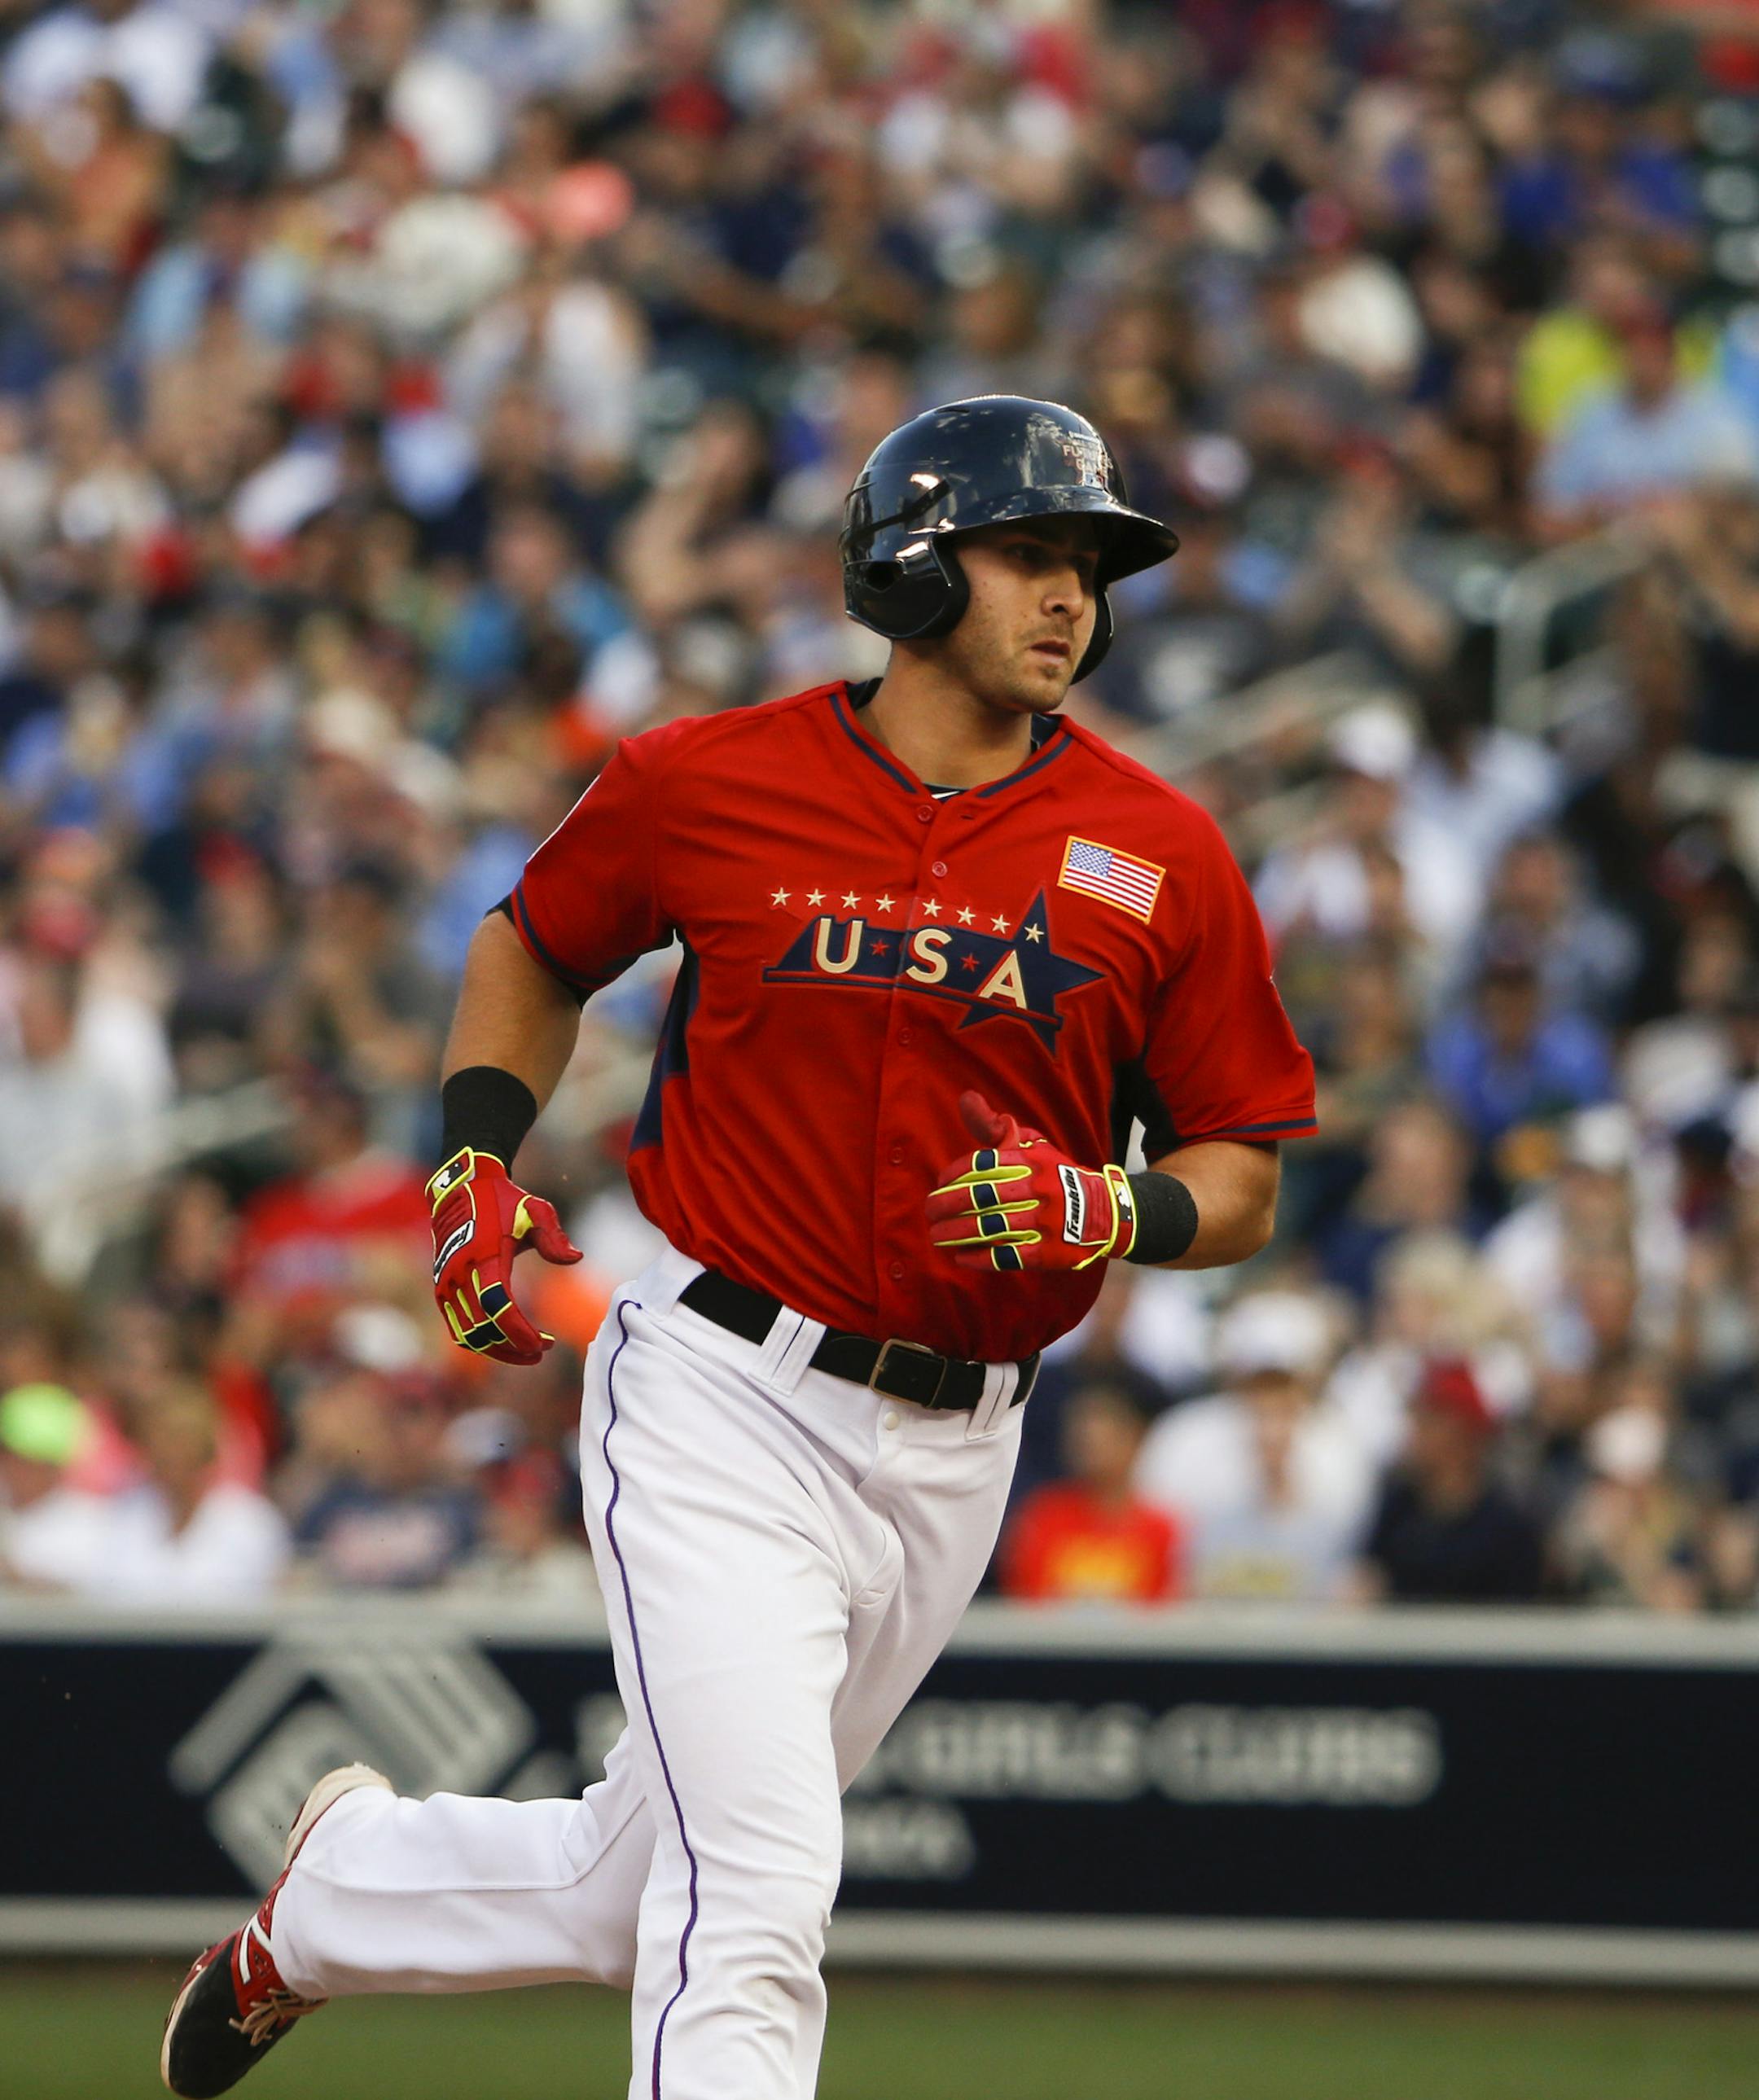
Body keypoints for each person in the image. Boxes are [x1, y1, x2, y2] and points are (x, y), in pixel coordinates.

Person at [160, 396, 1317, 2099]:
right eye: (1028, 554)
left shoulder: (1161, 849)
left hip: (958, 1441)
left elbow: (1249, 1166)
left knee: (647, 1877)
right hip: (721, 1382)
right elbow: (532, 944)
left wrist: (1116, 1203)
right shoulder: (712, 778)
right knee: (759, 1893)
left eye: (1088, 564)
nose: (1070, 596)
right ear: (913, 566)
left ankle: (337, 1893)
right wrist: (473, 1157)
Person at [1353, 1357, 1543, 1603]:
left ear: (1460, 1432)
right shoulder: (1397, 1508)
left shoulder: (1507, 1529)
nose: (1413, 1432)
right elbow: (1366, 1578)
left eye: (1426, 1420)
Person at [1000, 1373, 1182, 1605]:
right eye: (1081, 1434)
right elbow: (1026, 1601)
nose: (1090, 1444)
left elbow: (1164, 1608)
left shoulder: (1162, 1527)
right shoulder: (1041, 1517)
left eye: (1105, 1436)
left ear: (1135, 1438)